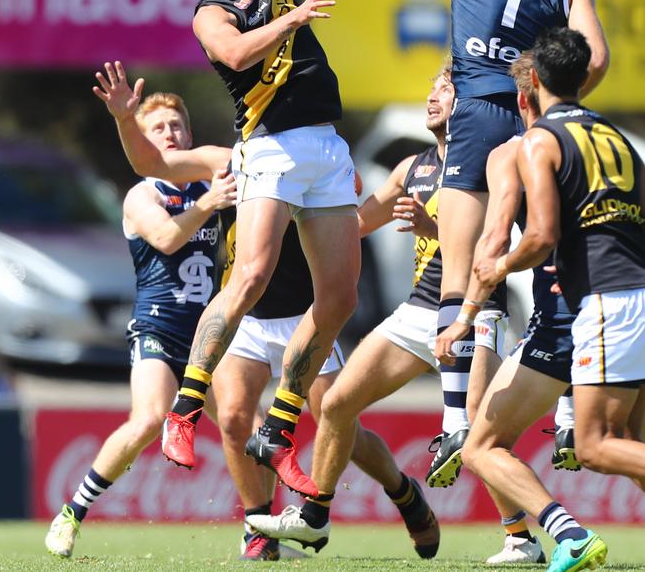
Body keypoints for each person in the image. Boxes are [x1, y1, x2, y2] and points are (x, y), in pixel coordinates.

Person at [328, 0, 610, 478]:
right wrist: (543, 94)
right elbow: (596, 58)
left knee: (465, 270)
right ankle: (573, 415)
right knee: (553, 266)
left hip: (479, 116)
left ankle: (455, 421)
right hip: (537, 123)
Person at [92, 62, 437, 561]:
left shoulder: (319, 159)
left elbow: (355, 202)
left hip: (306, 317)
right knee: (233, 418)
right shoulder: (229, 158)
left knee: (337, 423)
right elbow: (157, 166)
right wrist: (126, 120)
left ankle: (402, 491)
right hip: (247, 314)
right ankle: (258, 526)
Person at [159, 0, 362, 498]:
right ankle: (184, 411)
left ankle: (279, 428)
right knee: (248, 278)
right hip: (270, 147)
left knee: (338, 301)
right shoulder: (210, 15)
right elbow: (240, 57)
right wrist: (297, 16)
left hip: (326, 150)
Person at [245, 68, 498, 555]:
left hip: (475, 312)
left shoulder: (489, 165)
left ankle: (524, 534)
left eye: (445, 89)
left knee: (482, 436)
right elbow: (356, 224)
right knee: (337, 405)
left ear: (470, 105)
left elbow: (496, 244)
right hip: (421, 310)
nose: (431, 97)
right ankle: (316, 515)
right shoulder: (412, 168)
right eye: (431, 87)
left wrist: (432, 228)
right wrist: (304, 202)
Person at [444, 27, 645, 572]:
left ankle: (571, 538)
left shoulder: (537, 141)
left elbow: (540, 236)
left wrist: (497, 266)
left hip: (605, 303)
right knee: (630, 444)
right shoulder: (618, 137)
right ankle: (567, 536)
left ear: (529, 84)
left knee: (592, 445)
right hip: (633, 297)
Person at [44, 92, 234, 558]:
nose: (170, 134)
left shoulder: (213, 179)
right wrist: (212, 201)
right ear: (143, 144)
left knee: (238, 424)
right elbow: (169, 238)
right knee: (149, 418)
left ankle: (259, 530)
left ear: (190, 136)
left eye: (177, 126)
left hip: (208, 335)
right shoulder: (143, 194)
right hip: (158, 329)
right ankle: (72, 513)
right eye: (159, 129)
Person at [435, 50, 578, 565]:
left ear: (523, 95)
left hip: (564, 320)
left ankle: (565, 535)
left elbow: (498, 241)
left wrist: (465, 316)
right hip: (628, 309)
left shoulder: (512, 152)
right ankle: (522, 537)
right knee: (619, 446)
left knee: (479, 443)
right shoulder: (612, 140)